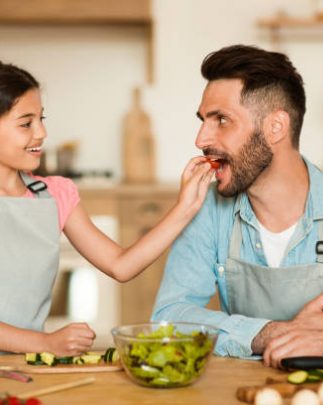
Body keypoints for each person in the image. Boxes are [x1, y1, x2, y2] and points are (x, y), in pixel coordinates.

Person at [152, 44, 323, 369]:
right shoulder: (207, 211)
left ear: (275, 127)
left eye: (221, 120)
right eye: (203, 120)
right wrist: (268, 333)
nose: (201, 138)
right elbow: (169, 317)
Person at [0, 61, 214, 356]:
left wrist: (184, 208)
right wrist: (45, 343)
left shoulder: (55, 195)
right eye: (26, 123)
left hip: (25, 369)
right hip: (34, 352)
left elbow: (121, 265)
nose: (41, 133)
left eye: (41, 119)